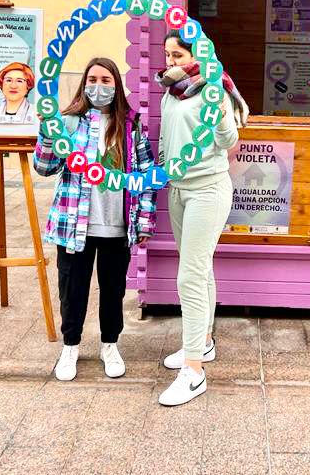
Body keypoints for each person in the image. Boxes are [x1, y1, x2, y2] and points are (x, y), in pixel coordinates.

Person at [34, 57, 156, 381]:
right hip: (75, 225)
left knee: (113, 290)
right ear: (84, 83)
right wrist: (47, 135)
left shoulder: (131, 125)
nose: (98, 87)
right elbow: (45, 168)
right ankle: (70, 346)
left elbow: (145, 174)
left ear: (116, 85)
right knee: (72, 290)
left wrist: (144, 221)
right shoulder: (68, 122)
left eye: (106, 80)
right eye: (93, 79)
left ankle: (110, 345)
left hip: (117, 224)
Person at [154, 30, 249, 406]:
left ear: (197, 55)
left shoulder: (214, 89)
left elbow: (229, 142)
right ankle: (203, 342)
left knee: (190, 275)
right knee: (199, 267)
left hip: (208, 189)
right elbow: (166, 137)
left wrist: (222, 112)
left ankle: (193, 372)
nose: (171, 63)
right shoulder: (170, 91)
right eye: (167, 55)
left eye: (177, 55)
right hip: (178, 188)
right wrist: (161, 166)